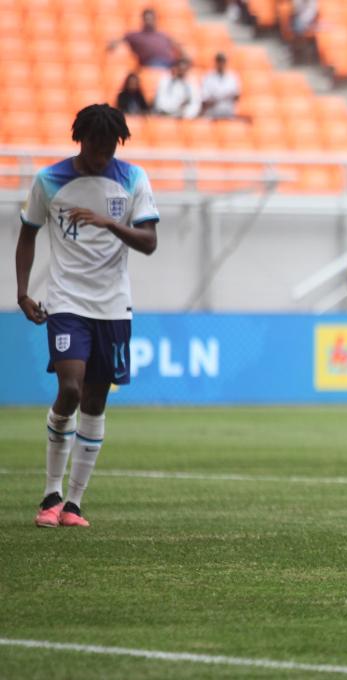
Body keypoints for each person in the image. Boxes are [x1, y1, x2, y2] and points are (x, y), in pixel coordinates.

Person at [15, 104, 159, 529]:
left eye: (111, 145)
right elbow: (28, 234)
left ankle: (74, 504)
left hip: (113, 306)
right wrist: (22, 292)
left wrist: (108, 224)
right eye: (97, 145)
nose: (104, 153)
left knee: (95, 401)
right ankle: (51, 494)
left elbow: (149, 242)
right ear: (82, 140)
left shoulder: (132, 178)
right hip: (66, 302)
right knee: (72, 389)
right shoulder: (50, 180)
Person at [106, 8, 183, 69]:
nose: (149, 21)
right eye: (147, 19)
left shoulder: (163, 35)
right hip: (151, 65)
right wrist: (112, 46)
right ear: (143, 20)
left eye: (151, 19)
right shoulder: (136, 36)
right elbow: (118, 41)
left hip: (169, 64)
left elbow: (177, 46)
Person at [201, 52, 241, 119]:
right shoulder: (208, 77)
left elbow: (236, 96)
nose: (221, 63)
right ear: (216, 62)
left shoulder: (232, 77)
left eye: (223, 61)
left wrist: (223, 96)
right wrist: (220, 97)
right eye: (219, 61)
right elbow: (205, 98)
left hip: (228, 112)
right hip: (212, 113)